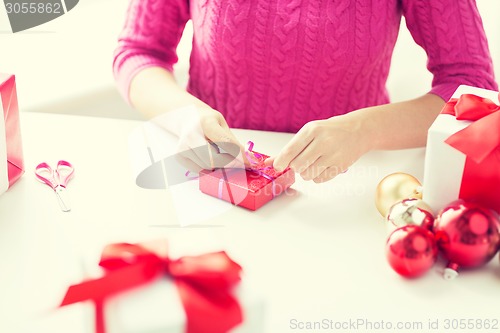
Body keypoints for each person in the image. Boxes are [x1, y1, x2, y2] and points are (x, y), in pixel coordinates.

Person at [113, 0, 497, 183]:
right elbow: (137, 52)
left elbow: (473, 88)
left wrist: (366, 130)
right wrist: (184, 115)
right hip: (209, 175)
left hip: (351, 182)